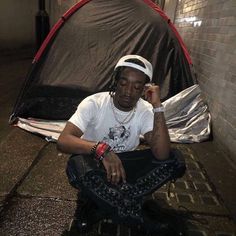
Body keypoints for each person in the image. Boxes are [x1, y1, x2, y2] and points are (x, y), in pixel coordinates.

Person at [57, 55, 186, 233]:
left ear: (144, 89)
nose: (128, 91)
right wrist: (102, 150)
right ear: (115, 82)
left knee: (174, 159)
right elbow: (63, 140)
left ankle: (105, 205)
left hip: (125, 170)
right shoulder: (94, 103)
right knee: (77, 163)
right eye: (123, 83)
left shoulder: (145, 110)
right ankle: (136, 212)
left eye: (137, 86)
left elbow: (161, 153)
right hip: (97, 165)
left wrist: (157, 106)